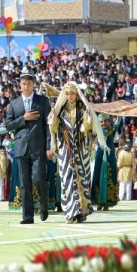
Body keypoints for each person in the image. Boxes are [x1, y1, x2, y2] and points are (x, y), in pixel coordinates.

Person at [48, 82, 106, 224]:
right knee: (67, 179)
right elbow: (54, 129)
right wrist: (53, 117)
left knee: (83, 178)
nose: (69, 96)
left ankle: (81, 211)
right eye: (67, 94)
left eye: (72, 93)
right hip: (65, 150)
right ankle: (70, 211)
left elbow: (86, 129)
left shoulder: (82, 110)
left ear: (77, 94)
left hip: (81, 149)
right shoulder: (60, 111)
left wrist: (87, 119)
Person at [5, 71, 53, 224]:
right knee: (25, 183)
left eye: (29, 84)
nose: (26, 87)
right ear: (20, 85)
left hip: (39, 148)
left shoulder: (42, 101)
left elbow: (48, 126)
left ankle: (44, 204)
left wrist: (49, 146)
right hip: (20, 148)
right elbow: (8, 125)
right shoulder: (13, 104)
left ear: (33, 85)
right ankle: (28, 216)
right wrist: (23, 119)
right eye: (24, 84)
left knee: (38, 178)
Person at [91, 115, 120, 210]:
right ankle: (99, 201)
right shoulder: (97, 131)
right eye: (101, 122)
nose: (103, 123)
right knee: (98, 176)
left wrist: (120, 113)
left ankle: (107, 202)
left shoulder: (112, 130)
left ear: (108, 121)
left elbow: (118, 122)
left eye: (105, 121)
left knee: (109, 176)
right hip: (99, 155)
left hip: (109, 156)